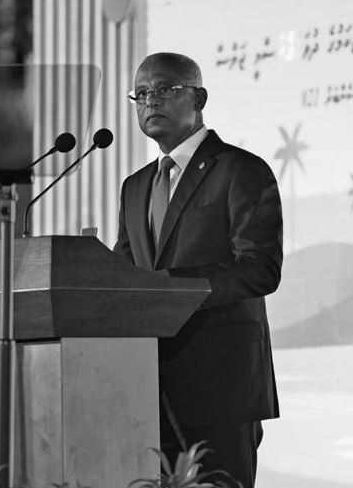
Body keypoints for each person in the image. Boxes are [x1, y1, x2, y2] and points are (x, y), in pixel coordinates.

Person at [114, 52, 282, 488]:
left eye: (163, 89)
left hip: (220, 388)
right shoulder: (135, 187)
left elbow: (260, 269)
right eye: (141, 94)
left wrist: (171, 289)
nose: (150, 101)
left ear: (199, 98)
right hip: (145, 389)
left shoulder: (241, 169)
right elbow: (123, 274)